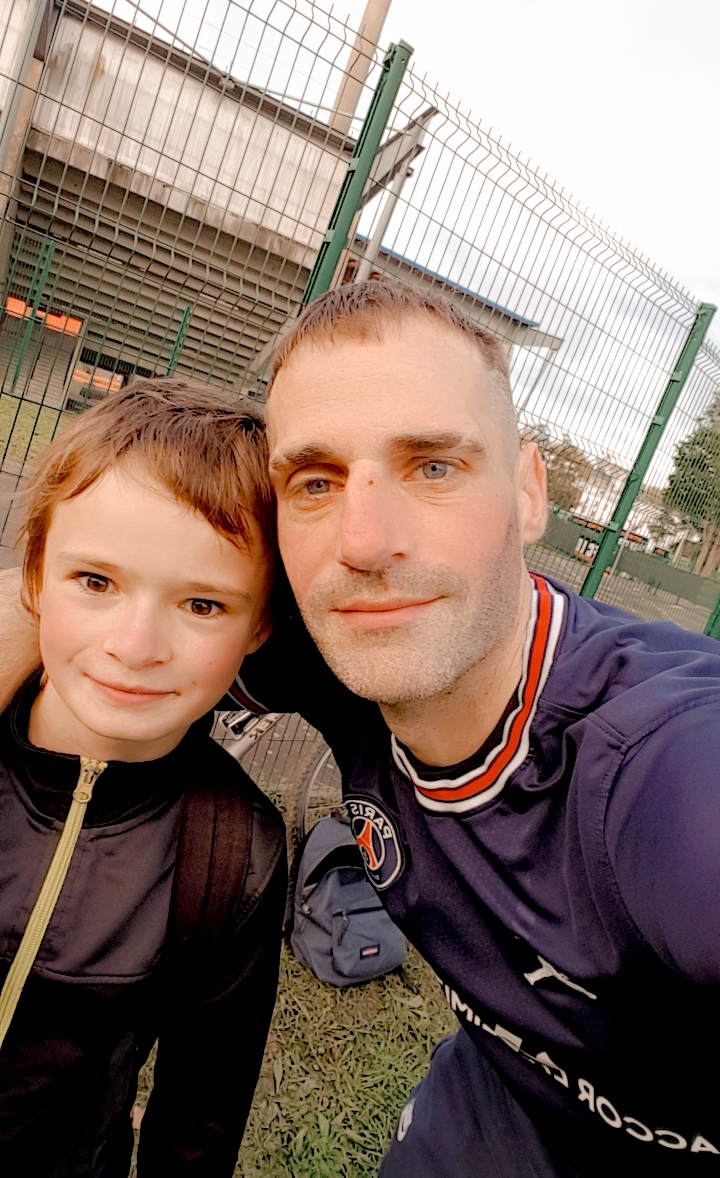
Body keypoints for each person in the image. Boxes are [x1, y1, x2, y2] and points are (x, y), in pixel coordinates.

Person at [3, 281, 720, 1176]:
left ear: (528, 490)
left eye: (434, 467)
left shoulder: (661, 756)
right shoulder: (327, 636)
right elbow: (93, 578)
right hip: (486, 1121)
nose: (366, 541)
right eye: (316, 481)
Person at [0, 378, 285, 1177]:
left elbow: (200, 1117)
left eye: (202, 605)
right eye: (96, 582)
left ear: (259, 623)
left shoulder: (235, 854)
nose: (135, 646)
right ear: (34, 579)